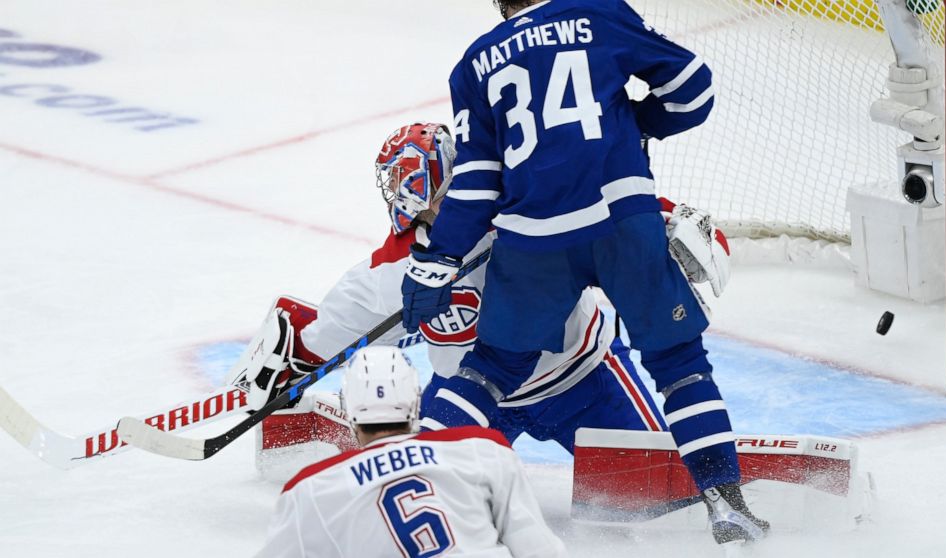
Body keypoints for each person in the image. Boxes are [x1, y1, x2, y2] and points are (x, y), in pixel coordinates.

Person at [399, 0, 768, 545]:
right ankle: (726, 504)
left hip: (532, 240)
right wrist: (638, 123)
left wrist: (440, 259)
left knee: (489, 370)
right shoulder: (598, 14)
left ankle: (413, 484)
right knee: (679, 362)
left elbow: (478, 176)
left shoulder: (474, 62)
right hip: (621, 217)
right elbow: (693, 88)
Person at [229, 122, 667, 457]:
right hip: (472, 393)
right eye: (404, 187)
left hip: (583, 377)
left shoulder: (524, 212)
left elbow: (598, 212)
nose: (409, 197)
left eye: (416, 184)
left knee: (650, 491)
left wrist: (664, 224)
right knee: (421, 488)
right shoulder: (395, 266)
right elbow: (337, 324)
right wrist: (292, 362)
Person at [255, 345, 568, 558]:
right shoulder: (483, 450)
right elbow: (539, 550)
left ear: (348, 410)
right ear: (417, 402)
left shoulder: (311, 488)